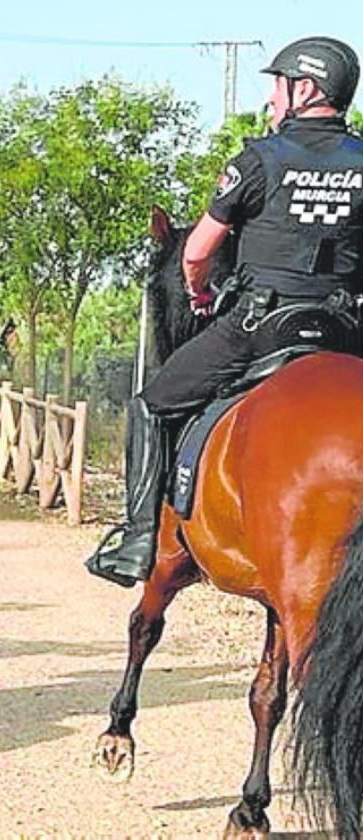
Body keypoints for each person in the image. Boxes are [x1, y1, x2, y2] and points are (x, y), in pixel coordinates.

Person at [87, 36, 363, 588]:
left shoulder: (257, 159)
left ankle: (139, 538)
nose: (271, 100)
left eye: (277, 87)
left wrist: (199, 295)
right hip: (344, 331)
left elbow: (196, 252)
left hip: (260, 327)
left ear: (304, 88)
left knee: (151, 403)